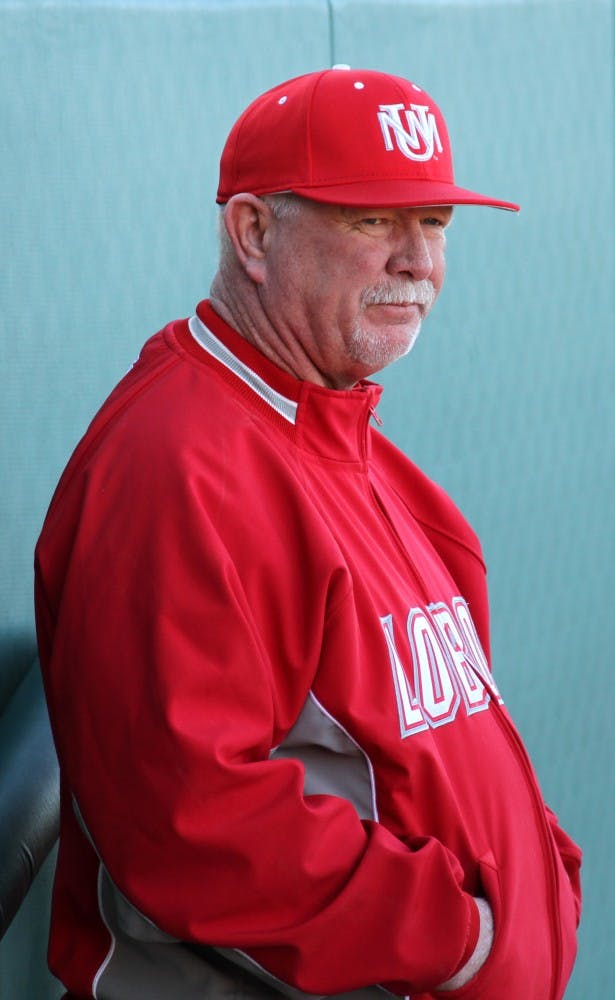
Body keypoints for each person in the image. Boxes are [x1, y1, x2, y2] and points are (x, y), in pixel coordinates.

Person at [35, 67, 582, 1000]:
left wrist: (538, 870)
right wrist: (460, 937)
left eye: (436, 224)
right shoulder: (174, 466)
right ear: (253, 232)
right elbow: (189, 823)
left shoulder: (367, 459)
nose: (417, 259)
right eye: (373, 221)